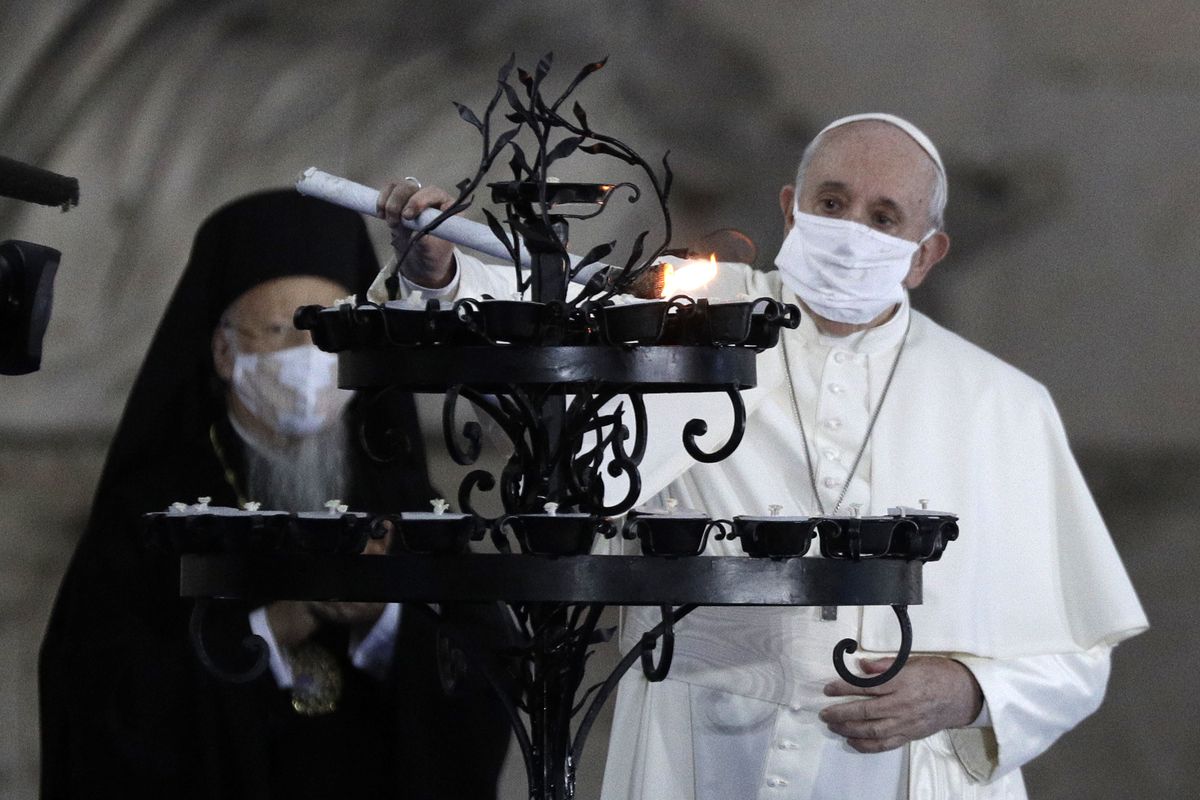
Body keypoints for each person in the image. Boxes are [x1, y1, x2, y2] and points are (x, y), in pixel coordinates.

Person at [373, 112, 1148, 799]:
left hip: (903, 772)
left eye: (886, 218)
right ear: (791, 209)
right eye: (833, 203)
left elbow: (1077, 653)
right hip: (692, 750)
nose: (853, 232)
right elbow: (545, 311)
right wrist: (441, 266)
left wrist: (969, 691)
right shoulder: (686, 328)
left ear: (926, 254)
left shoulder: (1002, 405)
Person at [39, 190, 512, 800]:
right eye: (281, 330)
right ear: (224, 351)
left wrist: (383, 616)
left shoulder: (403, 496)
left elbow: (487, 671)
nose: (309, 356)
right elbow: (99, 697)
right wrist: (264, 632)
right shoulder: (154, 506)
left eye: (331, 328)